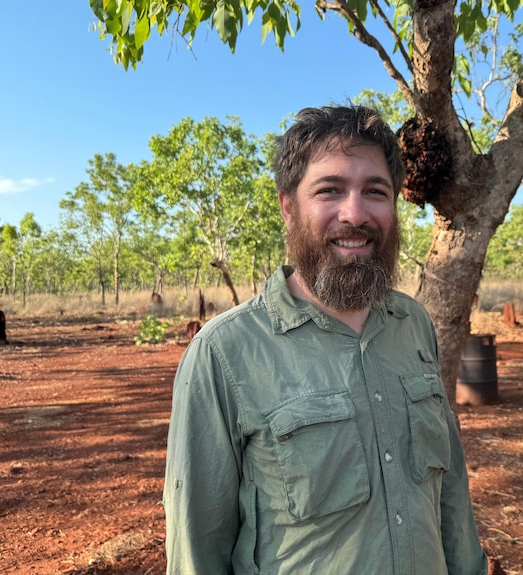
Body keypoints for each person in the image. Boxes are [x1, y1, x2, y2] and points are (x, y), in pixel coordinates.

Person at [164, 105, 489, 574]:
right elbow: (198, 546)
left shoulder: (413, 323)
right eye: (329, 190)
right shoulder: (224, 353)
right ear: (288, 208)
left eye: (375, 192)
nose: (354, 214)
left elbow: (450, 491)